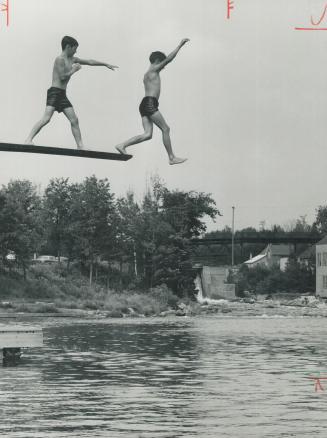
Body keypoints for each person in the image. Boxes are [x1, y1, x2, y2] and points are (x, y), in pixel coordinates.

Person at [25, 35, 118, 149]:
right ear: (68, 47)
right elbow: (63, 77)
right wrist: (74, 70)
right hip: (54, 93)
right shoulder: (59, 59)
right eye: (75, 48)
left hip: (62, 95)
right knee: (46, 118)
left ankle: (80, 146)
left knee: (74, 120)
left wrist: (105, 64)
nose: (76, 51)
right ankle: (28, 139)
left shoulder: (73, 59)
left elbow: (89, 61)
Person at [115, 38, 190, 165]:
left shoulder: (147, 74)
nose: (163, 66)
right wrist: (180, 45)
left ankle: (122, 145)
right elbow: (169, 59)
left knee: (147, 134)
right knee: (166, 129)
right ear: (157, 61)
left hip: (144, 104)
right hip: (150, 103)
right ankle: (171, 157)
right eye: (162, 63)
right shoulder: (153, 70)